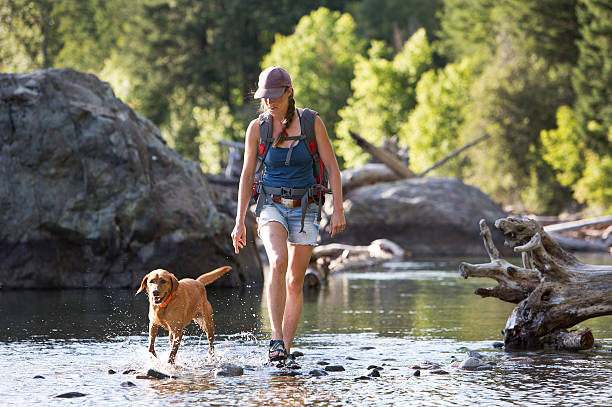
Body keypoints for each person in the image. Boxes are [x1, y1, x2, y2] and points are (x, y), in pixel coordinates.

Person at [231, 66, 346, 369]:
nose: (268, 101)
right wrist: (240, 219)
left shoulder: (311, 122)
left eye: (274, 96)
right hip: (270, 204)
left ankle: (284, 352)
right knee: (278, 261)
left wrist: (338, 210)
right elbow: (246, 175)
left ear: (288, 92)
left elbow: (332, 167)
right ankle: (275, 339)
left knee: (295, 280)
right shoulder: (257, 128)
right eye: (264, 97)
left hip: (307, 208)